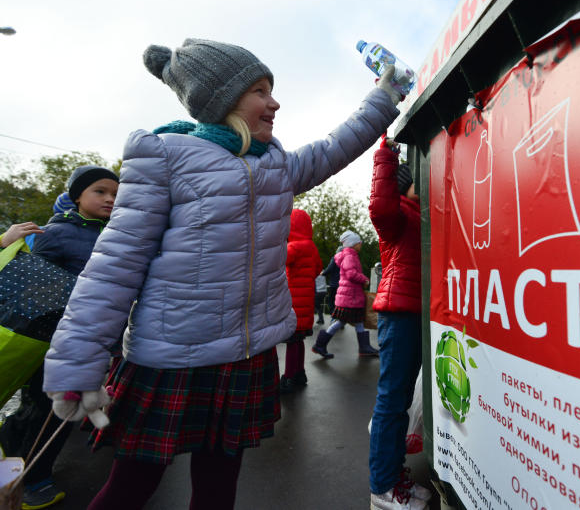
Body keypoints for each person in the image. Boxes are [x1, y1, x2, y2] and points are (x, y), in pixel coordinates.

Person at [41, 38, 401, 510]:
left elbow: (337, 145)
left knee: (218, 490)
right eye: (259, 90)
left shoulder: (275, 164)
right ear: (223, 99)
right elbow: (115, 265)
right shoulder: (164, 157)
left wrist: (383, 97)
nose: (274, 102)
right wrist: (77, 364)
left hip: (243, 356)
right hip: (170, 357)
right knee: (131, 487)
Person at [0, 167, 119, 510]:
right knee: (45, 408)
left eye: (115, 193)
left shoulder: (117, 234)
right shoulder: (56, 232)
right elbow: (31, 284)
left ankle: (21, 458)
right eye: (100, 191)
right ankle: (32, 480)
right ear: (77, 196)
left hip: (92, 338)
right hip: (48, 337)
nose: (110, 198)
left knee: (62, 409)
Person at [367, 138, 431, 510]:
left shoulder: (421, 214)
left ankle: (394, 475)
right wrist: (385, 156)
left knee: (401, 401)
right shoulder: (398, 215)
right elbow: (379, 204)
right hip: (400, 313)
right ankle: (383, 487)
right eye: (417, 179)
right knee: (392, 401)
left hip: (417, 313)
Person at [312, 230, 378, 358]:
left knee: (354, 322)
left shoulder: (349, 255)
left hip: (350, 296)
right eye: (359, 242)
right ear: (352, 244)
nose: (361, 244)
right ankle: (320, 345)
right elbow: (351, 274)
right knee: (341, 322)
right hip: (350, 297)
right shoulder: (349, 256)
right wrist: (364, 279)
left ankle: (363, 347)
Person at [281, 208, 323, 393]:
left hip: (294, 303)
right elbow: (318, 269)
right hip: (306, 302)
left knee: (292, 341)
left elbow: (279, 261)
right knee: (299, 341)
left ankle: (288, 376)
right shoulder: (311, 247)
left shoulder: (294, 247)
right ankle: (300, 373)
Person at [322, 247, 342, 315]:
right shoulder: (346, 259)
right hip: (342, 285)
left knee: (331, 302)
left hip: (334, 284)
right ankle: (339, 319)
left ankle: (334, 319)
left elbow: (329, 268)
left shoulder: (335, 258)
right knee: (340, 303)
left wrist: (323, 273)